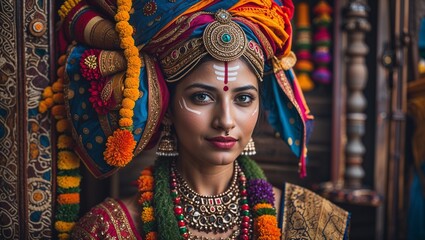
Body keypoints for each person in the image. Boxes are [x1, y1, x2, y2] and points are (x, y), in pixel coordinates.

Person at [56, 0, 350, 239]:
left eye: (243, 99)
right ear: (167, 106)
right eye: (201, 97)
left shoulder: (313, 223)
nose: (225, 120)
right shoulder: (108, 230)